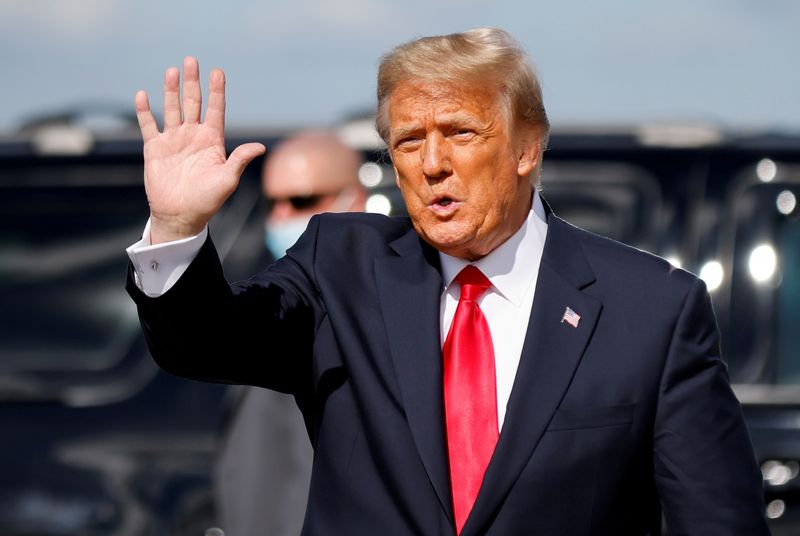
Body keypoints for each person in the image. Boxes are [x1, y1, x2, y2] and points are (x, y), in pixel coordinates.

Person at [126, 28, 769, 535]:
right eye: (408, 142)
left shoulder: (651, 310)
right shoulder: (342, 269)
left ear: (526, 148)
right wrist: (177, 226)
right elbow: (205, 341)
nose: (433, 164)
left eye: (460, 133)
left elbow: (717, 521)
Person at [214, 130, 365, 536]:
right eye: (272, 203)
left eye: (301, 201)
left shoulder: (376, 303)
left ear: (356, 198)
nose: (281, 216)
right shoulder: (267, 292)